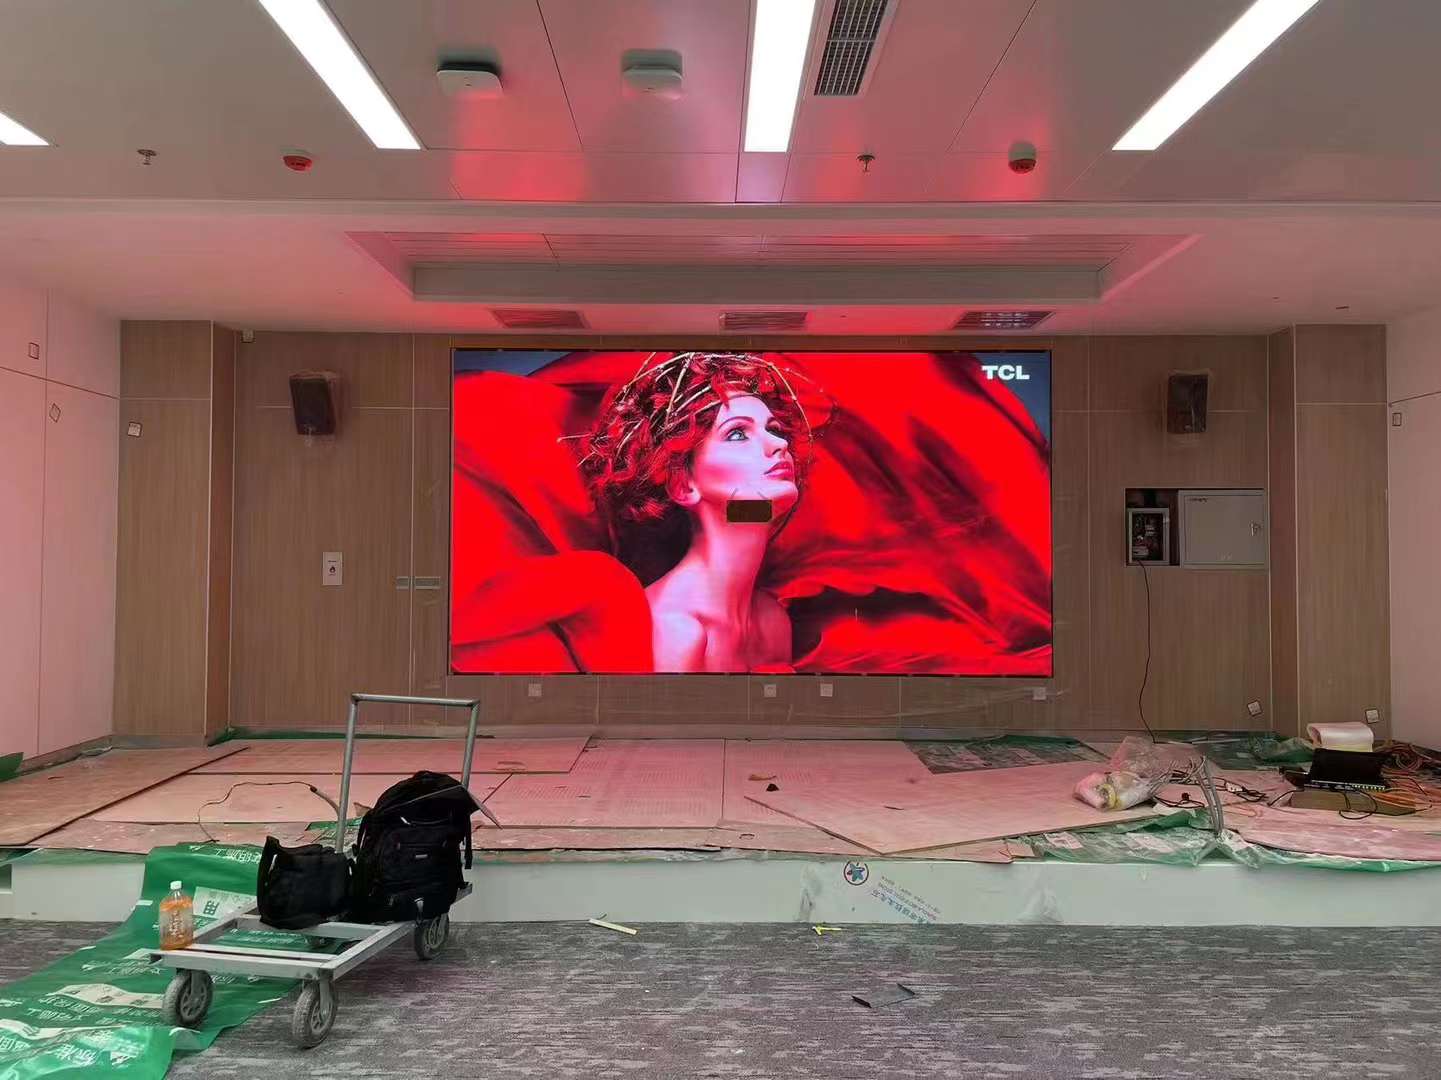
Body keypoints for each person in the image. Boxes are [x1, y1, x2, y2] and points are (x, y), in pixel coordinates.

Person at [578, 352, 819, 672]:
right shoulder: (676, 632)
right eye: (737, 433)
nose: (779, 444)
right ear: (683, 484)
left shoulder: (771, 621)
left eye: (774, 429)